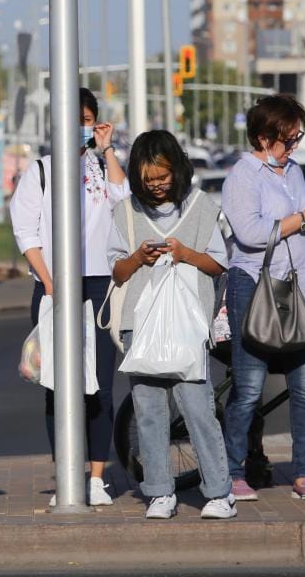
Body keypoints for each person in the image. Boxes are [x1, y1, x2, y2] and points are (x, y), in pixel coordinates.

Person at [221, 94, 305, 501]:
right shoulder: (243, 176)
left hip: (303, 287)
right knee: (249, 387)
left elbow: (303, 214)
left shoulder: (292, 171)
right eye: (287, 139)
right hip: (256, 287)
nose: (293, 146)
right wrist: (304, 218)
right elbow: (251, 233)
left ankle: (304, 473)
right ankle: (233, 471)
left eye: (297, 138)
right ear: (263, 137)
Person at [107, 130, 235, 519]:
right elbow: (116, 270)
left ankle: (219, 492)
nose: (157, 186)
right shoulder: (125, 213)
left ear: (177, 170)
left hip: (188, 323)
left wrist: (186, 254)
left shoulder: (201, 207)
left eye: (162, 177)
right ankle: (159, 491)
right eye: (148, 180)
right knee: (147, 408)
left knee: (197, 407)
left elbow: (218, 264)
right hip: (139, 325)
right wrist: (138, 258)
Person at [9, 88, 127, 506]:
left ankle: (97, 477)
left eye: (88, 118)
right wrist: (51, 282)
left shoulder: (98, 167)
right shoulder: (40, 171)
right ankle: (67, 474)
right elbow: (25, 232)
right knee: (59, 385)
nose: (81, 125)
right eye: (73, 118)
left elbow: (124, 201)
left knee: (102, 387)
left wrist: (107, 150)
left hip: (99, 285)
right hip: (53, 286)